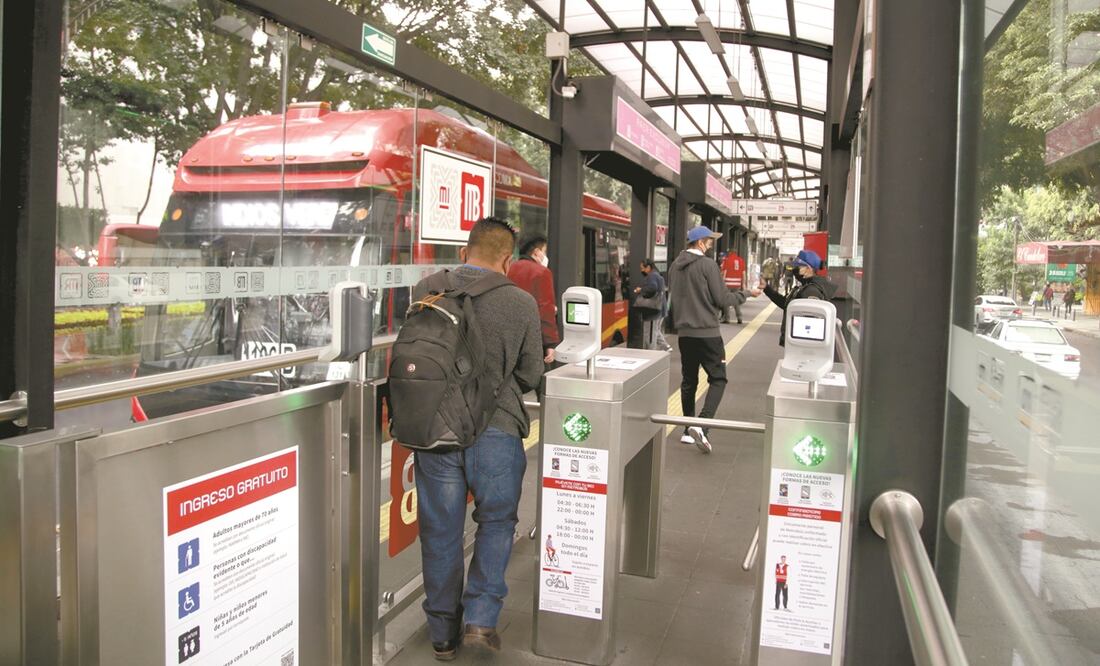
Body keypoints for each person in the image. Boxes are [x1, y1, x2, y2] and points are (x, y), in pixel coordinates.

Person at [412, 217, 544, 661]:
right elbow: (530, 373)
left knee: (441, 529)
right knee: (496, 522)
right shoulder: (520, 301)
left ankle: (442, 634)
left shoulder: (428, 288)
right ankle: (481, 624)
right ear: (507, 259)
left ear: (465, 252)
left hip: (436, 429)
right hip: (497, 429)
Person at [668, 226, 743, 454]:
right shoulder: (708, 265)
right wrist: (744, 295)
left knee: (689, 380)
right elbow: (721, 299)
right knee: (718, 379)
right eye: (709, 241)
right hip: (708, 334)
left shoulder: (674, 266)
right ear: (700, 242)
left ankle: (688, 429)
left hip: (685, 335)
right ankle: (703, 425)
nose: (711, 245)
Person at [507, 232, 560, 396]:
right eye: (544, 251)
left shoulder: (509, 268)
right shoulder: (542, 273)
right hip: (533, 338)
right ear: (536, 252)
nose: (545, 255)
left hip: (510, 336)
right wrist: (550, 344)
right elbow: (545, 309)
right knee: (543, 387)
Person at [751, 249, 837, 346]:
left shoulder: (811, 291)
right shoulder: (804, 287)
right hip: (795, 343)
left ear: (809, 268)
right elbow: (786, 304)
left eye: (799, 266)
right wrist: (766, 288)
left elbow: (810, 326)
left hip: (801, 346)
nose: (795, 269)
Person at [633, 258, 671, 351]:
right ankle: (665, 347)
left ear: (648, 267)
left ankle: (651, 354)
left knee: (650, 334)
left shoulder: (652, 276)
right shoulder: (657, 274)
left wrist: (640, 290)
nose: (641, 270)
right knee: (655, 331)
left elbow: (652, 288)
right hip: (659, 308)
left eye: (643, 268)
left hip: (652, 311)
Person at [720, 250, 747, 324]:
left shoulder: (727, 260)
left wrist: (721, 283)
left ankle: (727, 318)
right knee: (736, 300)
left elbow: (724, 273)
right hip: (737, 284)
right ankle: (739, 317)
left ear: (730, 253)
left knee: (726, 301)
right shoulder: (741, 260)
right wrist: (743, 284)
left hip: (728, 283)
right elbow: (743, 273)